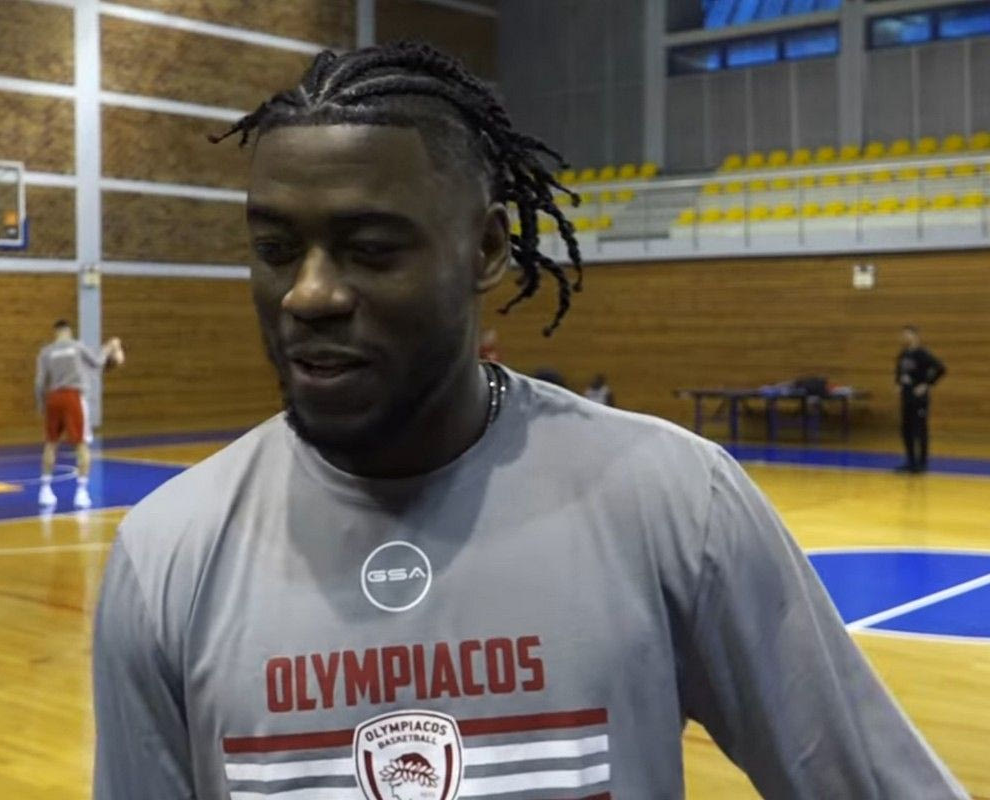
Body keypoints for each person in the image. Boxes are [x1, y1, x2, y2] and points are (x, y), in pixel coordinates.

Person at [92, 43, 967, 799]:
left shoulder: (677, 504)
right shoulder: (169, 554)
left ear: (485, 249)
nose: (309, 293)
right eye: (276, 250)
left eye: (370, 249)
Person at [34, 320, 122, 508]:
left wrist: (41, 405)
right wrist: (108, 348)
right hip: (73, 397)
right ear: (68, 331)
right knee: (81, 445)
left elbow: (40, 383)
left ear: (55, 332)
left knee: (50, 444)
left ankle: (44, 490)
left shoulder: (46, 352)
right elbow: (98, 362)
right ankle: (81, 493)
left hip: (54, 398)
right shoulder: (77, 346)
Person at [896, 325, 946, 473]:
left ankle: (922, 463)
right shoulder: (903, 354)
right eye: (904, 335)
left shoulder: (923, 353)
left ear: (915, 336)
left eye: (908, 334)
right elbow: (899, 371)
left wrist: (926, 384)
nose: (905, 337)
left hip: (919, 398)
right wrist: (898, 383)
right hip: (906, 397)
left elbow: (941, 368)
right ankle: (910, 460)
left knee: (920, 429)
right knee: (906, 429)